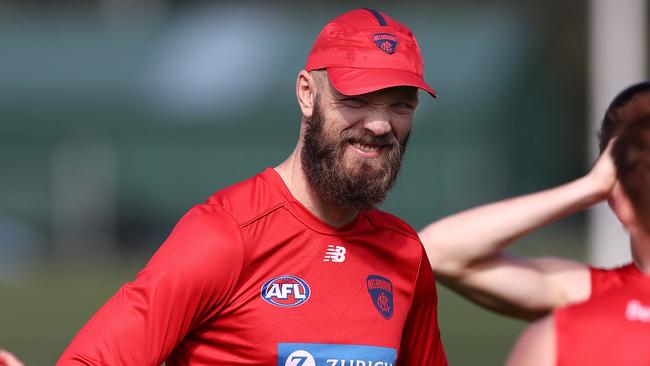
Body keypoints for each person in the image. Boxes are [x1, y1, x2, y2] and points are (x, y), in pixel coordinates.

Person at [57, 9, 447, 366]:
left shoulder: (406, 255)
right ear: (307, 94)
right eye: (357, 99)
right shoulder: (224, 235)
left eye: (400, 105)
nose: (380, 125)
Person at [419, 80, 650, 320]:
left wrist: (597, 186)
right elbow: (437, 251)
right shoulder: (601, 295)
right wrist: (591, 186)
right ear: (619, 199)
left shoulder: (599, 296)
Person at [506, 116, 650, 366]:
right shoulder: (598, 290)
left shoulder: (557, 338)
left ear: (622, 203)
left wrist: (592, 185)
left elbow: (442, 249)